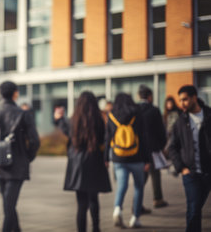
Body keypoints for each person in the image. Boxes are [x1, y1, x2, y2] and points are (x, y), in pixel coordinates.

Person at [0, 81, 40, 232]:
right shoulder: (23, 114)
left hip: (0, 164)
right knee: (9, 206)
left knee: (8, 204)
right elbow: (35, 141)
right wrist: (27, 157)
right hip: (18, 165)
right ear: (15, 93)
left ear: (0, 93)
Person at [63, 91, 111, 232]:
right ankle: (96, 228)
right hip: (94, 161)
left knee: (81, 203)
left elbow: (69, 138)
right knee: (93, 199)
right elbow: (104, 139)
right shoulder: (98, 119)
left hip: (78, 164)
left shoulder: (73, 120)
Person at [168, 85, 211, 232]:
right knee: (193, 210)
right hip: (191, 173)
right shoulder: (180, 122)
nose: (182, 103)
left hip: (208, 171)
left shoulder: (209, 115)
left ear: (194, 98)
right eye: (180, 100)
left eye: (185, 99)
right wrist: (181, 168)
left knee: (196, 207)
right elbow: (172, 147)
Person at [105, 93, 150, 228]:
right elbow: (143, 137)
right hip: (137, 157)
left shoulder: (111, 115)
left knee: (122, 186)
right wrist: (147, 159)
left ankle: (117, 209)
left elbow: (107, 138)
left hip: (118, 157)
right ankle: (135, 218)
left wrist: (106, 158)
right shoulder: (137, 113)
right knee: (138, 187)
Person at [138, 85, 168, 209]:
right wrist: (162, 145)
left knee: (142, 176)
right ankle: (158, 199)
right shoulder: (154, 110)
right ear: (150, 96)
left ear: (139, 96)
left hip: (139, 148)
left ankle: (137, 202)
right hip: (153, 147)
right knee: (155, 173)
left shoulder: (135, 109)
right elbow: (161, 130)